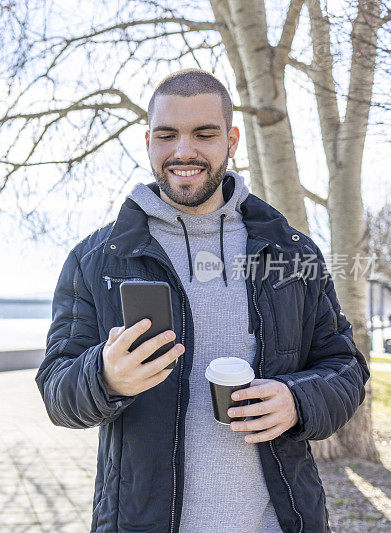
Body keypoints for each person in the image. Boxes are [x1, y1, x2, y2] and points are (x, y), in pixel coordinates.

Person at [35, 69, 369, 533]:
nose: (183, 151)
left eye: (204, 134)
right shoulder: (96, 260)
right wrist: (105, 375)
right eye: (167, 135)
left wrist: (297, 400)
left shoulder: (292, 253)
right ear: (148, 140)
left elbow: (346, 368)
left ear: (232, 140)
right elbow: (56, 389)